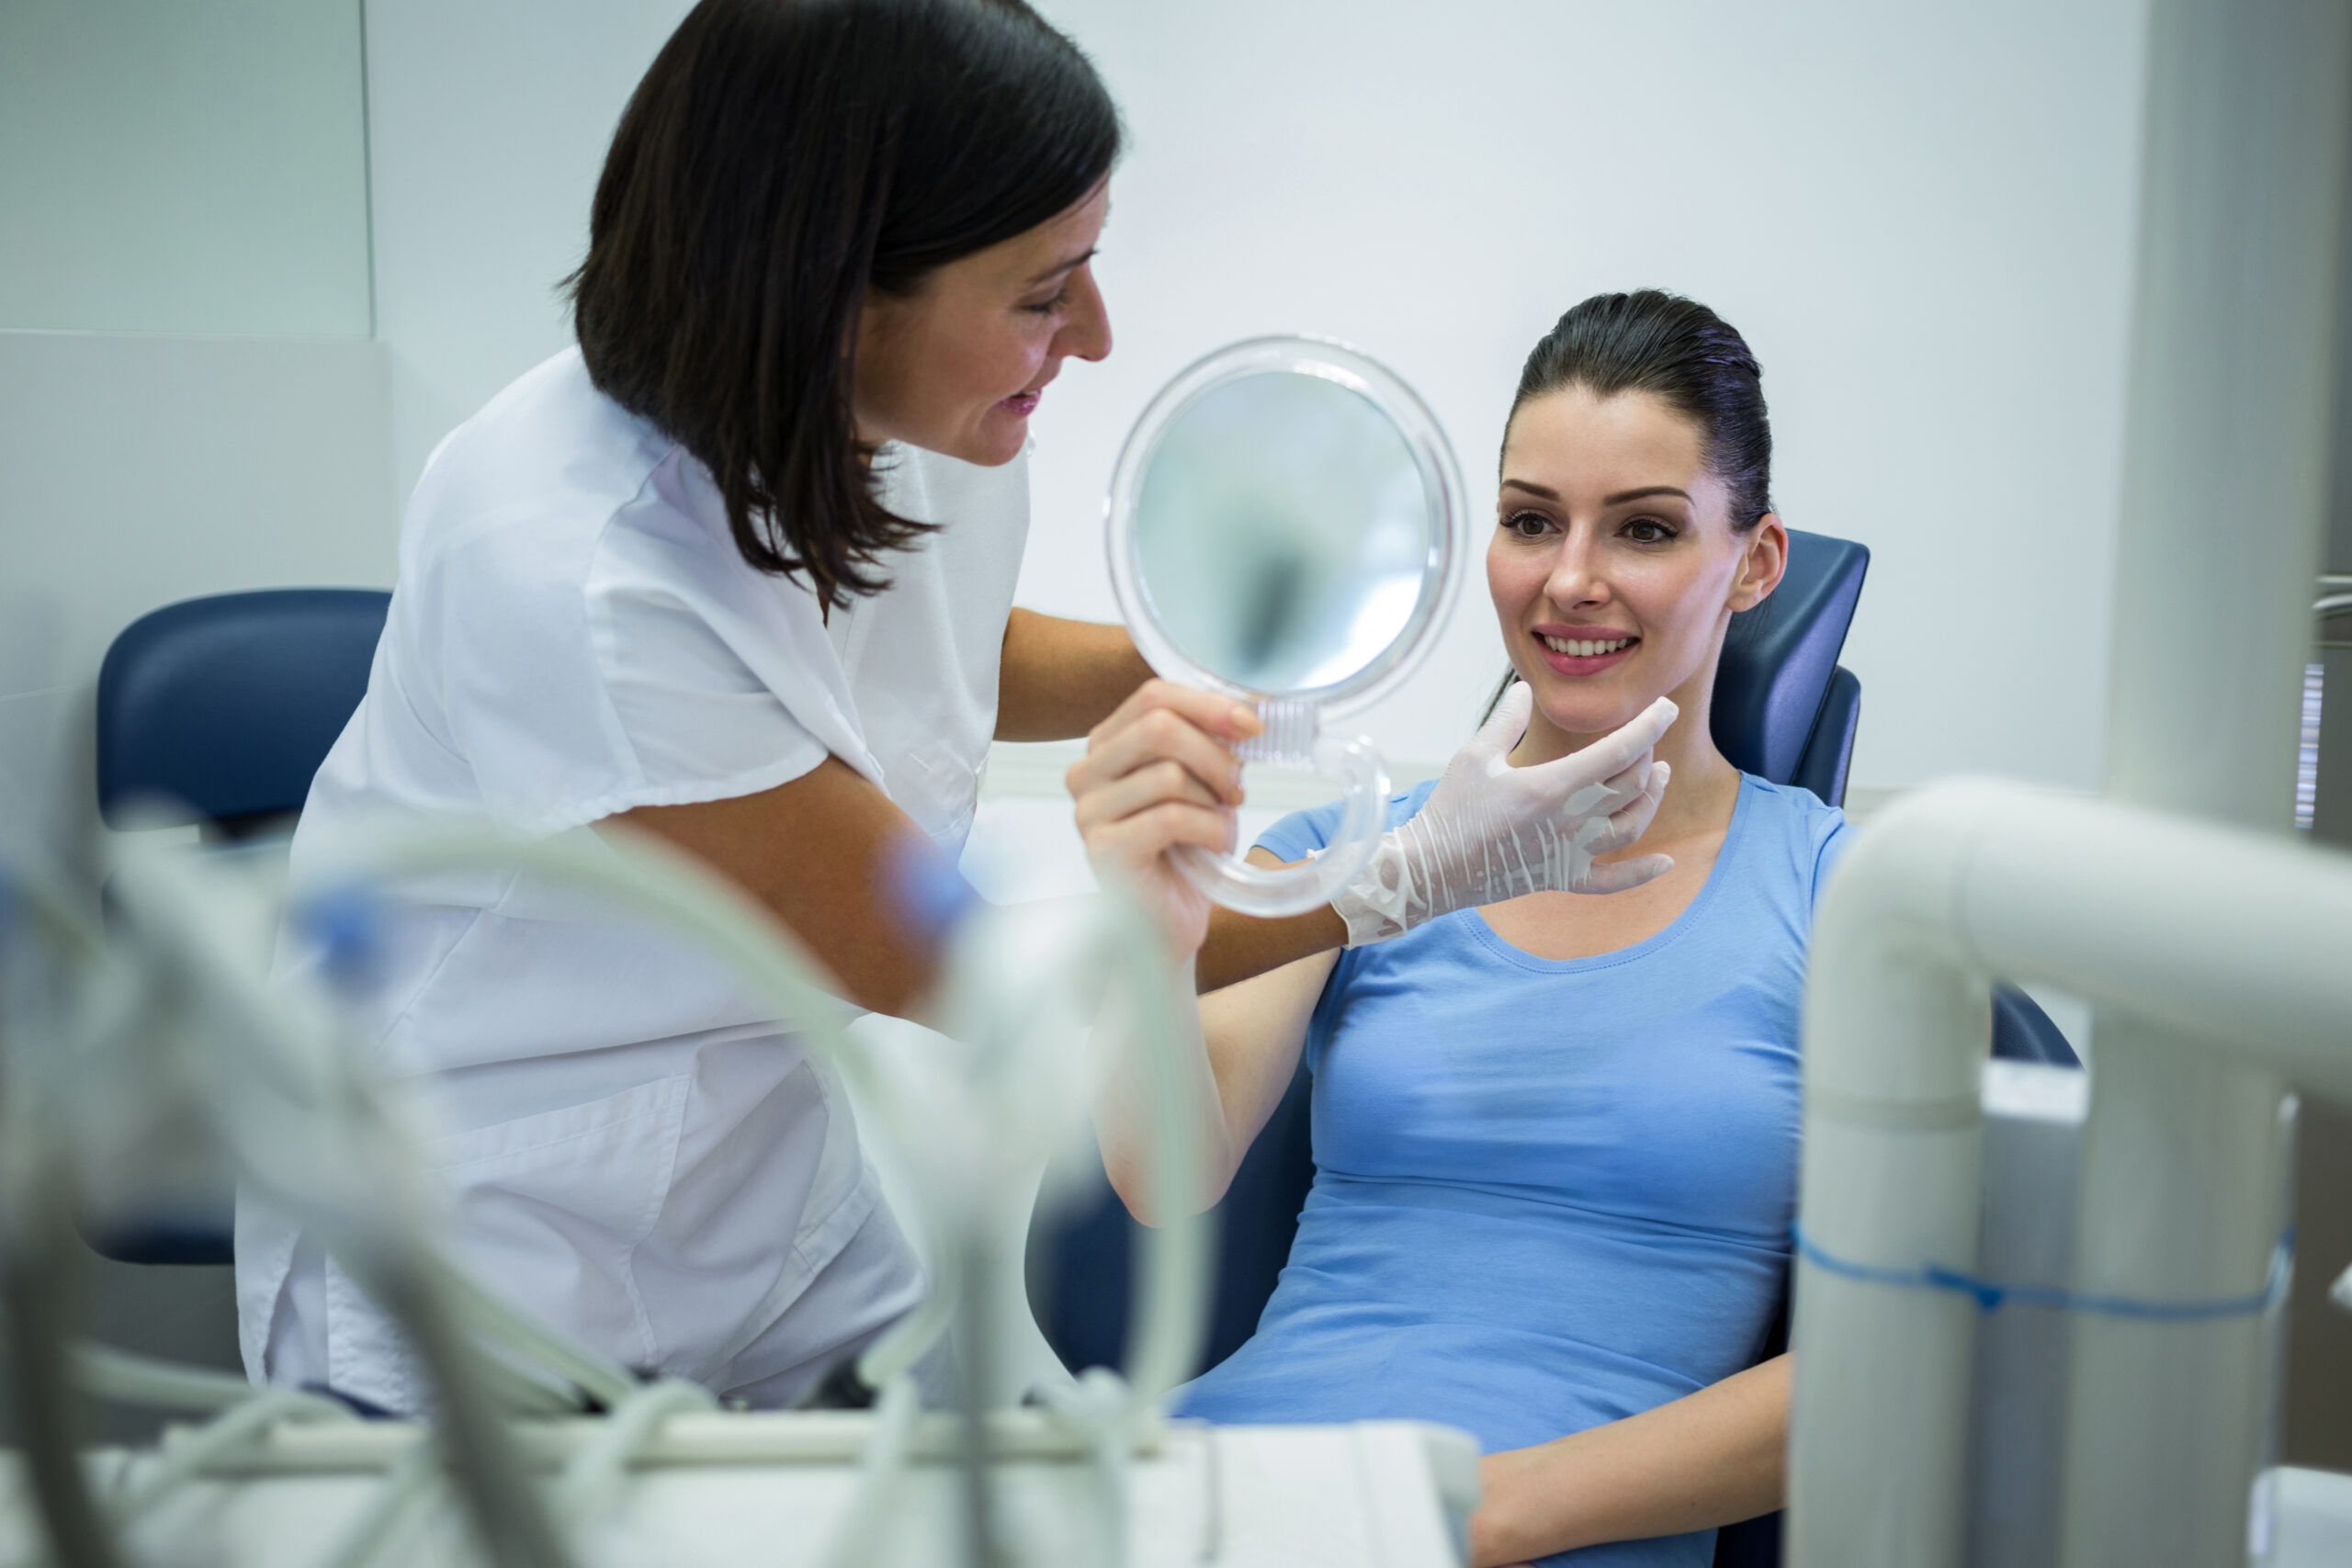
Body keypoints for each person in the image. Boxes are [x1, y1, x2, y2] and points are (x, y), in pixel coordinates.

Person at [242, 0, 1670, 1416]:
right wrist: (1416, 875)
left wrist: (1194, 650)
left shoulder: (911, 414)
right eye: (1046, 293)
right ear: (834, 296)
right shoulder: (577, 582)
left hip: (764, 1197)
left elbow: (936, 653)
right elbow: (970, 972)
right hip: (493, 1253)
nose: (1096, 336)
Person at [1071, 290, 1848, 1566]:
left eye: (1645, 528)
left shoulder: (1836, 898)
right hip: (1237, 1496)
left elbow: (1899, 1356)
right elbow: (1167, 1180)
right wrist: (1149, 939)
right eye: (1531, 521)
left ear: (1756, 562)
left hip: (1529, 1534)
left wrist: (1479, 1513)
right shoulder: (1352, 856)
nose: (1571, 579)